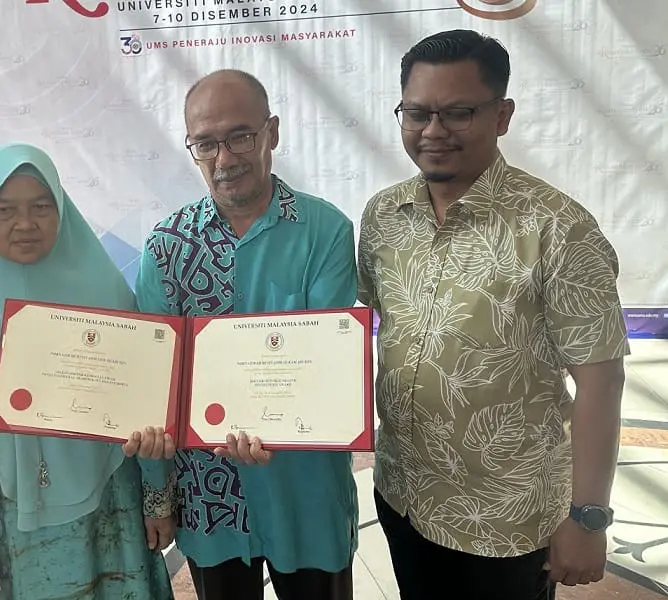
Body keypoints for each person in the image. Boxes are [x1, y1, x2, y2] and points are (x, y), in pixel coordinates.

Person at [357, 29, 629, 600]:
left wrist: (588, 517)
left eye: (458, 113)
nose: (433, 131)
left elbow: (601, 385)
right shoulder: (384, 216)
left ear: (502, 115)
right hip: (404, 494)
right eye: (417, 112)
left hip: (506, 522)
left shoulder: (559, 229)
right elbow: (391, 331)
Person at [134, 69, 359, 600]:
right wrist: (156, 494)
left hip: (304, 487)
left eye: (240, 136)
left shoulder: (324, 231)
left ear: (271, 133)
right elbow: (155, 379)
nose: (224, 158)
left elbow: (323, 362)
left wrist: (270, 419)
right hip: (209, 497)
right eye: (206, 143)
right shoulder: (167, 246)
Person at [0, 143, 175, 599]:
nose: (26, 224)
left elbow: (146, 415)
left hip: (111, 511)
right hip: (12, 527)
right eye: (5, 210)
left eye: (41, 206)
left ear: (61, 207)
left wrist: (158, 499)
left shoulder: (108, 296)